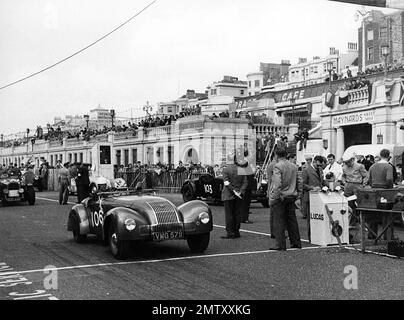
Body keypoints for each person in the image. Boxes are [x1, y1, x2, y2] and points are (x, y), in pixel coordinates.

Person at [268, 147, 302, 251]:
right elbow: (299, 180)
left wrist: (276, 196)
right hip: (292, 195)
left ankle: (280, 244)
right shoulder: (294, 166)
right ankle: (296, 242)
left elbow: (277, 183)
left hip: (281, 196)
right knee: (292, 220)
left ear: (276, 155)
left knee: (279, 221)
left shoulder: (277, 166)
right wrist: (298, 193)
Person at [367, 149, 394, 239]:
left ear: (380, 155)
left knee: (373, 214)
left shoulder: (372, 166)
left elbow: (369, 180)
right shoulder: (388, 166)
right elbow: (389, 179)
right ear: (389, 156)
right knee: (387, 214)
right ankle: (387, 236)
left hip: (374, 192)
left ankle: (371, 234)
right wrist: (390, 187)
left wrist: (373, 185)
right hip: (385, 192)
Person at [220, 152, 248, 239]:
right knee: (237, 214)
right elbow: (245, 182)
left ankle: (230, 233)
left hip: (228, 195)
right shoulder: (242, 170)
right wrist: (240, 191)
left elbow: (226, 183)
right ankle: (236, 232)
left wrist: (234, 191)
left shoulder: (226, 170)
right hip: (239, 195)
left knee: (229, 215)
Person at [301, 155, 325, 241]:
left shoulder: (320, 170)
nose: (319, 167)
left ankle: (319, 236)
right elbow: (302, 184)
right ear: (314, 162)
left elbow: (321, 181)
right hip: (310, 197)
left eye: (321, 165)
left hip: (319, 197)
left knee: (319, 218)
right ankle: (311, 237)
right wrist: (312, 188)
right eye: (318, 165)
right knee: (311, 219)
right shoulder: (306, 170)